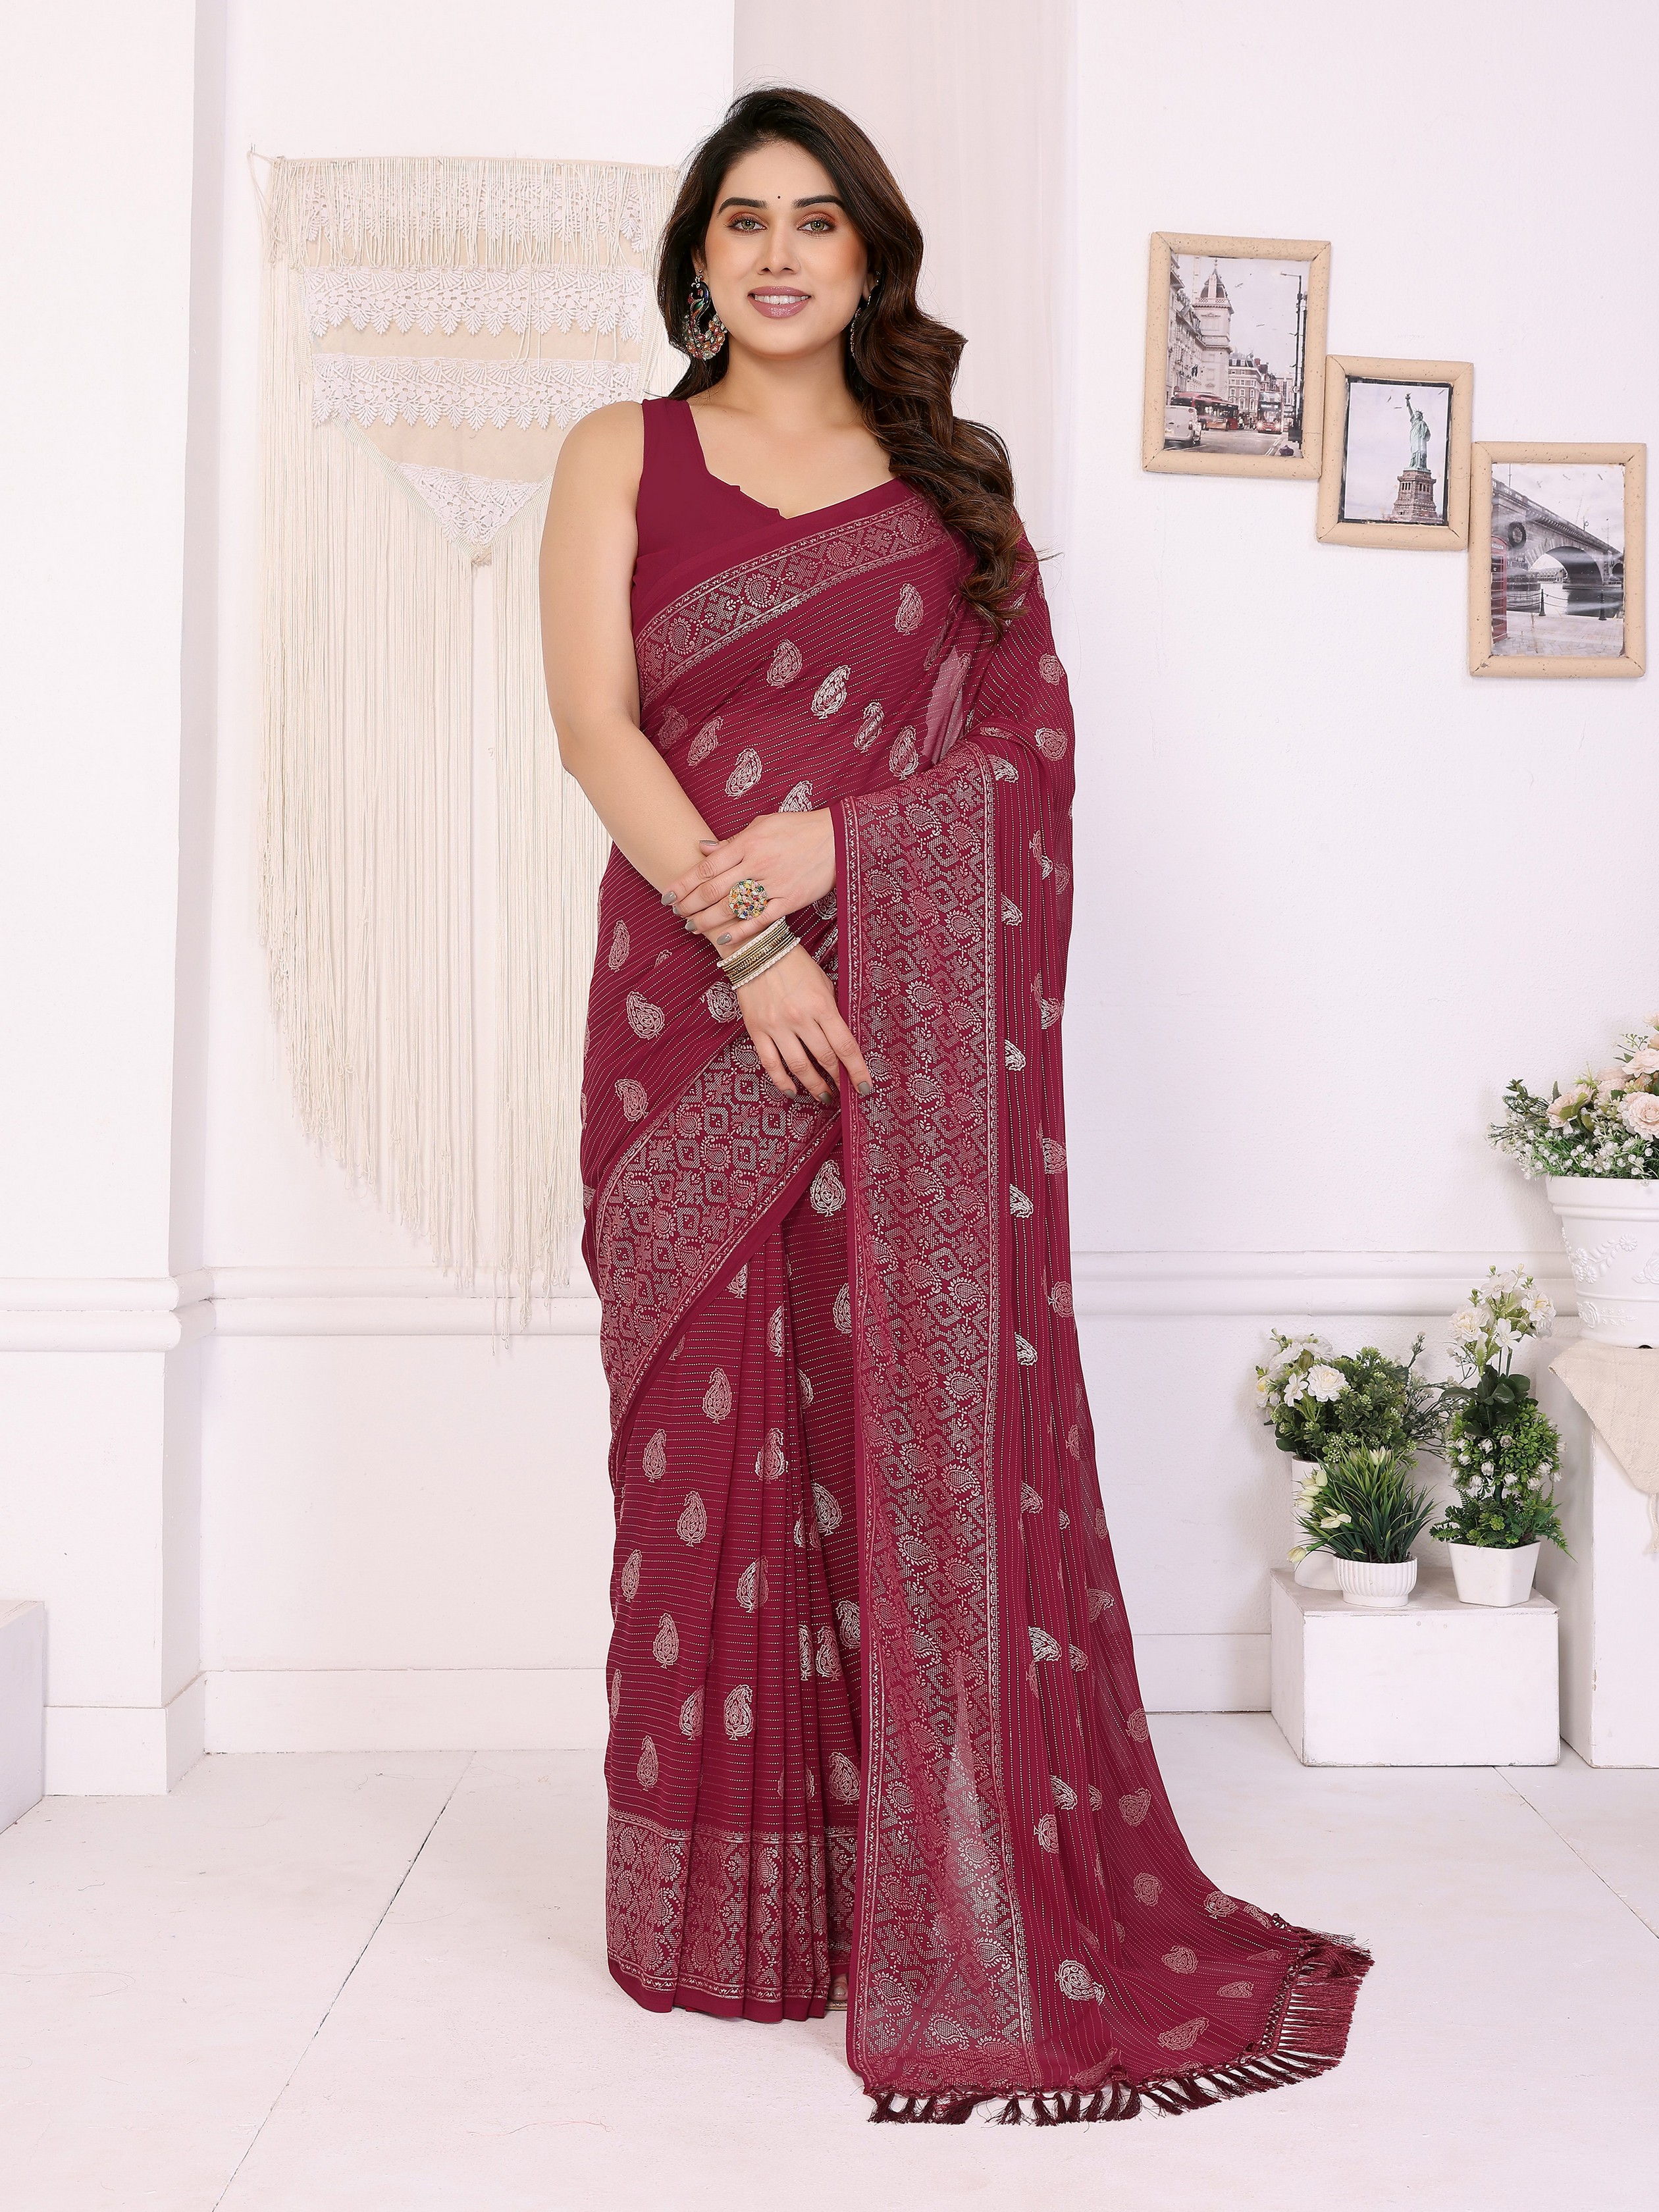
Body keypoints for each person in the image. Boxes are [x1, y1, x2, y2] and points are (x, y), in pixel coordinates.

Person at [539, 84, 1371, 2124]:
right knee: (699, 1445)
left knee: (890, 1424)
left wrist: (849, 850)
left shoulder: (944, 490)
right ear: (698, 257)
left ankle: (921, 1897)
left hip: (898, 1035)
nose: (780, 253)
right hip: (690, 1006)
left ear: (871, 258)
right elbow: (594, 726)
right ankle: (722, 1924)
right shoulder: (619, 452)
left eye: (817, 221)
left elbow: (1028, 762)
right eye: (744, 220)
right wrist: (756, 936)